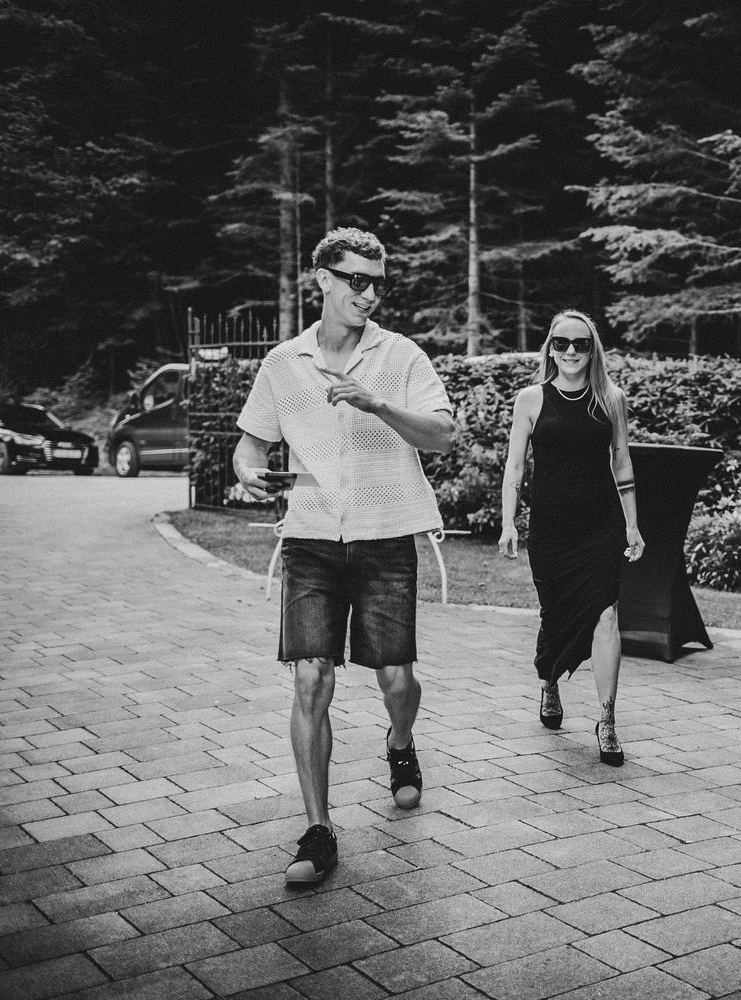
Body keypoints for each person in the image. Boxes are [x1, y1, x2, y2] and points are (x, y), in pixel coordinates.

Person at [233, 227, 458, 886]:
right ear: (322, 279)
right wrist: (248, 471)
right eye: (355, 279)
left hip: (387, 537)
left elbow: (444, 435)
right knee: (310, 680)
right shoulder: (283, 363)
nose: (368, 292)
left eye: (377, 282)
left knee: (396, 682)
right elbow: (249, 446)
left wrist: (377, 403)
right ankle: (319, 830)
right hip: (309, 539)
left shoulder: (402, 356)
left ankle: (399, 742)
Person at [497, 310, 644, 766]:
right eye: (562, 343)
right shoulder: (530, 399)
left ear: (593, 349)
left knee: (606, 614)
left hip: (598, 526)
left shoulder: (611, 398)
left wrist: (632, 524)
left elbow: (622, 462)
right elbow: (515, 468)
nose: (571, 352)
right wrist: (508, 522)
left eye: (581, 344)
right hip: (550, 527)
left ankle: (607, 720)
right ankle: (549, 683)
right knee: (556, 612)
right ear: (550, 349)